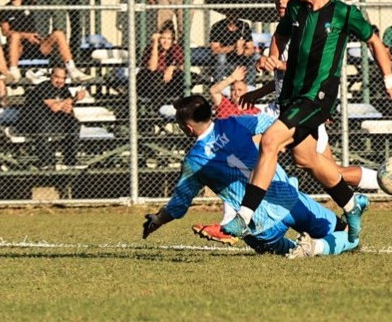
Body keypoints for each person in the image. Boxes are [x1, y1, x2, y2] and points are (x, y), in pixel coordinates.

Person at [222, 0, 392, 243]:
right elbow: (280, 36)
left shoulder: (344, 14)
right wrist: (271, 58)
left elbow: (374, 41)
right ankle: (351, 204)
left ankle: (244, 216)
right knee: (306, 158)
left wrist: (389, 82)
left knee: (269, 141)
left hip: (317, 97)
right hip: (292, 97)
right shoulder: (296, 10)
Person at [141, 95, 360, 259]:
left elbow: (178, 206)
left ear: (188, 129)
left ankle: (294, 248)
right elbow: (275, 125)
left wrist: (158, 219)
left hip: (259, 225)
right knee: (347, 234)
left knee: (268, 247)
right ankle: (325, 244)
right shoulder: (235, 123)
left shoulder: (194, 161)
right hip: (287, 199)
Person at [0, 0, 91, 83]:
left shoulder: (28, 2)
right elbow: (5, 32)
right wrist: (26, 35)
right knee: (15, 36)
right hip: (19, 48)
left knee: (59, 34)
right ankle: (14, 71)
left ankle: (72, 69)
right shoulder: (6, 9)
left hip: (36, 45)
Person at [18, 65, 86, 167]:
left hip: (50, 121)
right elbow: (54, 107)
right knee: (43, 124)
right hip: (29, 123)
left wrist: (69, 107)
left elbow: (68, 110)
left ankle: (70, 160)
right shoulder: (44, 87)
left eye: (63, 78)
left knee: (74, 123)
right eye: (57, 77)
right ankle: (46, 162)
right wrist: (74, 99)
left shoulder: (64, 89)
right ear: (51, 76)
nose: (60, 81)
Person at [136, 22, 184, 105]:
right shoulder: (150, 49)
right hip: (149, 82)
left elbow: (183, 66)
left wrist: (171, 68)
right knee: (156, 76)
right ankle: (158, 107)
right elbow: (152, 68)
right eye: (163, 38)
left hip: (167, 83)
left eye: (169, 39)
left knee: (182, 75)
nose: (166, 42)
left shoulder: (175, 48)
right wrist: (155, 44)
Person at [209, 12, 255, 85]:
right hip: (225, 59)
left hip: (240, 58)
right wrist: (233, 47)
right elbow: (215, 50)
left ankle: (250, 87)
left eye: (235, 13)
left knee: (255, 57)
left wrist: (243, 51)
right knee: (221, 58)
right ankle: (219, 86)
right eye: (230, 12)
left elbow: (251, 48)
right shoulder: (217, 26)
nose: (233, 16)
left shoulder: (243, 26)